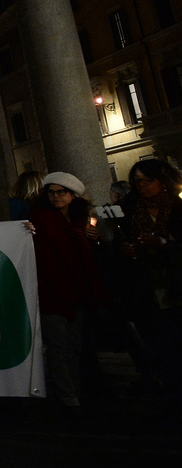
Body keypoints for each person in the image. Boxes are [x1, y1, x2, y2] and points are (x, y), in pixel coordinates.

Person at [29, 171, 105, 408]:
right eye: (51, 192)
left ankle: (76, 391)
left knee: (74, 345)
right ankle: (67, 395)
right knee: (58, 346)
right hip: (54, 291)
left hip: (79, 290)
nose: (55, 197)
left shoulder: (82, 220)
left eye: (61, 192)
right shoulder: (41, 219)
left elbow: (89, 256)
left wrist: (96, 239)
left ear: (73, 195)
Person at [114, 158, 182, 400]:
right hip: (144, 288)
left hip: (174, 284)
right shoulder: (130, 208)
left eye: (148, 180)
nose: (142, 185)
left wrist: (165, 244)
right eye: (137, 181)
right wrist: (125, 248)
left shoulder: (177, 207)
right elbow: (117, 240)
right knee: (156, 344)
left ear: (163, 182)